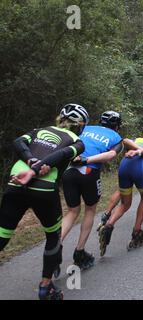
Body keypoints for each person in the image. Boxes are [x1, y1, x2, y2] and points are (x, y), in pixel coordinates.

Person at [0, 104, 88, 300]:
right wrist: (37, 167)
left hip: (15, 182)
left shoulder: (38, 131)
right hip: (43, 188)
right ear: (80, 125)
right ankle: (45, 287)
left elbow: (18, 142)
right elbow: (63, 154)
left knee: (3, 234)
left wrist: (31, 161)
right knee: (53, 237)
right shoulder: (77, 141)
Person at [59, 111, 123, 271]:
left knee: (72, 211)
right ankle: (79, 252)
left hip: (68, 171)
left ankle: (55, 247)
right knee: (89, 210)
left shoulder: (85, 127)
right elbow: (110, 154)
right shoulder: (117, 138)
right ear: (117, 125)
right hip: (89, 172)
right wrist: (87, 160)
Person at [98, 121, 143, 256]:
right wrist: (141, 151)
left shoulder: (137, 139)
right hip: (141, 167)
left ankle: (109, 224)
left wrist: (136, 149)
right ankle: (137, 231)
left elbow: (124, 140)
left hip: (125, 165)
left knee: (125, 203)